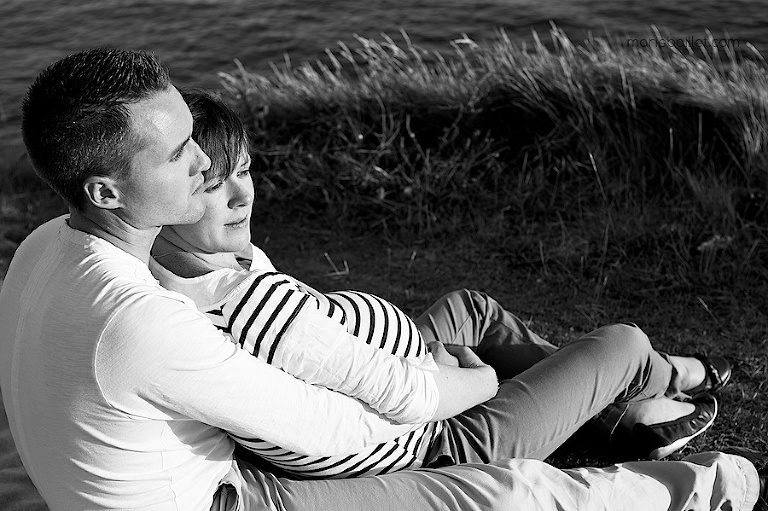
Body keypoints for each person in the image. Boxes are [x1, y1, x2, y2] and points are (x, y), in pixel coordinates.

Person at [0, 48, 763, 511]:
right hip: (231, 498)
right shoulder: (138, 321)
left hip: (211, 473)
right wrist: (458, 396)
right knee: (502, 493)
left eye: (193, 138)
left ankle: (619, 413)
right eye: (177, 157)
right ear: (103, 191)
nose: (204, 164)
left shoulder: (44, 245)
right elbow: (329, 429)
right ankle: (709, 486)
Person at [150, 90, 728, 480]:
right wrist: (464, 374)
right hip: (447, 439)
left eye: (245, 170)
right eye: (212, 184)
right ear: (168, 193)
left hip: (410, 361)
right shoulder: (249, 307)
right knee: (620, 340)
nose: (242, 195)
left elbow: (321, 356)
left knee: (469, 306)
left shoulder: (184, 268)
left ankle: (617, 412)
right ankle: (675, 375)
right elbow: (393, 403)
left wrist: (416, 349)